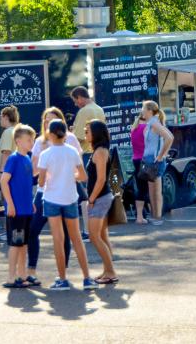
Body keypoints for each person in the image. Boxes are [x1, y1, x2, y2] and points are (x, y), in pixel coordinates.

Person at [37, 119, 98, 291]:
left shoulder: (45, 155)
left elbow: (41, 182)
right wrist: (71, 177)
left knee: (58, 239)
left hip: (51, 199)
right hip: (70, 197)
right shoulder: (72, 151)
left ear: (50, 133)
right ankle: (87, 278)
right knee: (76, 238)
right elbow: (83, 176)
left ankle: (62, 278)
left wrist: (50, 177)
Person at [28, 107, 79, 280]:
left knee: (64, 235)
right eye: (46, 121)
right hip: (44, 193)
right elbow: (34, 172)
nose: (48, 123)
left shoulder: (70, 139)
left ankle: (62, 274)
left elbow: (77, 166)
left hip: (65, 193)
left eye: (52, 120)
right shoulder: (40, 142)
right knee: (32, 230)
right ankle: (31, 271)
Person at [1, 125, 36, 288]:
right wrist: (10, 204)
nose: (31, 142)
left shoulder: (27, 158)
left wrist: (31, 204)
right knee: (15, 244)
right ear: (18, 141)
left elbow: (26, 185)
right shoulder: (13, 158)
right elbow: (4, 181)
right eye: (28, 140)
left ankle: (22, 275)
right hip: (16, 211)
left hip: (26, 210)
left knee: (24, 244)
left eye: (32, 139)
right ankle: (11, 277)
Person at [85, 120, 118, 284]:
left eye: (87, 131)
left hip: (100, 198)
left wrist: (91, 199)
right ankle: (108, 270)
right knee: (102, 236)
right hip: (100, 197)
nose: (85, 134)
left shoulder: (100, 151)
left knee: (94, 236)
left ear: (96, 133)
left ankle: (110, 272)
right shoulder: (99, 150)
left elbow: (101, 179)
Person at [139, 100, 174, 225]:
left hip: (155, 161)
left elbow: (169, 138)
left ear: (149, 110)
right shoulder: (150, 123)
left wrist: (161, 155)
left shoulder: (154, 123)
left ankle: (158, 217)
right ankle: (154, 216)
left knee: (156, 191)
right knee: (151, 190)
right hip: (149, 160)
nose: (141, 111)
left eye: (143, 108)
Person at [70, 86, 106, 152]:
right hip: (98, 150)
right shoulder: (99, 109)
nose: (75, 104)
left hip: (86, 152)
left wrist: (71, 133)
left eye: (75, 101)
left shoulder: (83, 111)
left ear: (80, 97)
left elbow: (78, 137)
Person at [129, 111, 150, 221]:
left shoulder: (134, 128)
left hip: (136, 159)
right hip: (145, 160)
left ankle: (140, 215)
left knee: (141, 187)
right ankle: (142, 216)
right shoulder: (146, 128)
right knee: (146, 189)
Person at [0, 105, 20, 176]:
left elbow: (6, 152)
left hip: (7, 173)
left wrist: (1, 172)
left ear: (6, 117)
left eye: (1, 117)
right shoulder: (16, 130)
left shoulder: (7, 132)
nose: (0, 119)